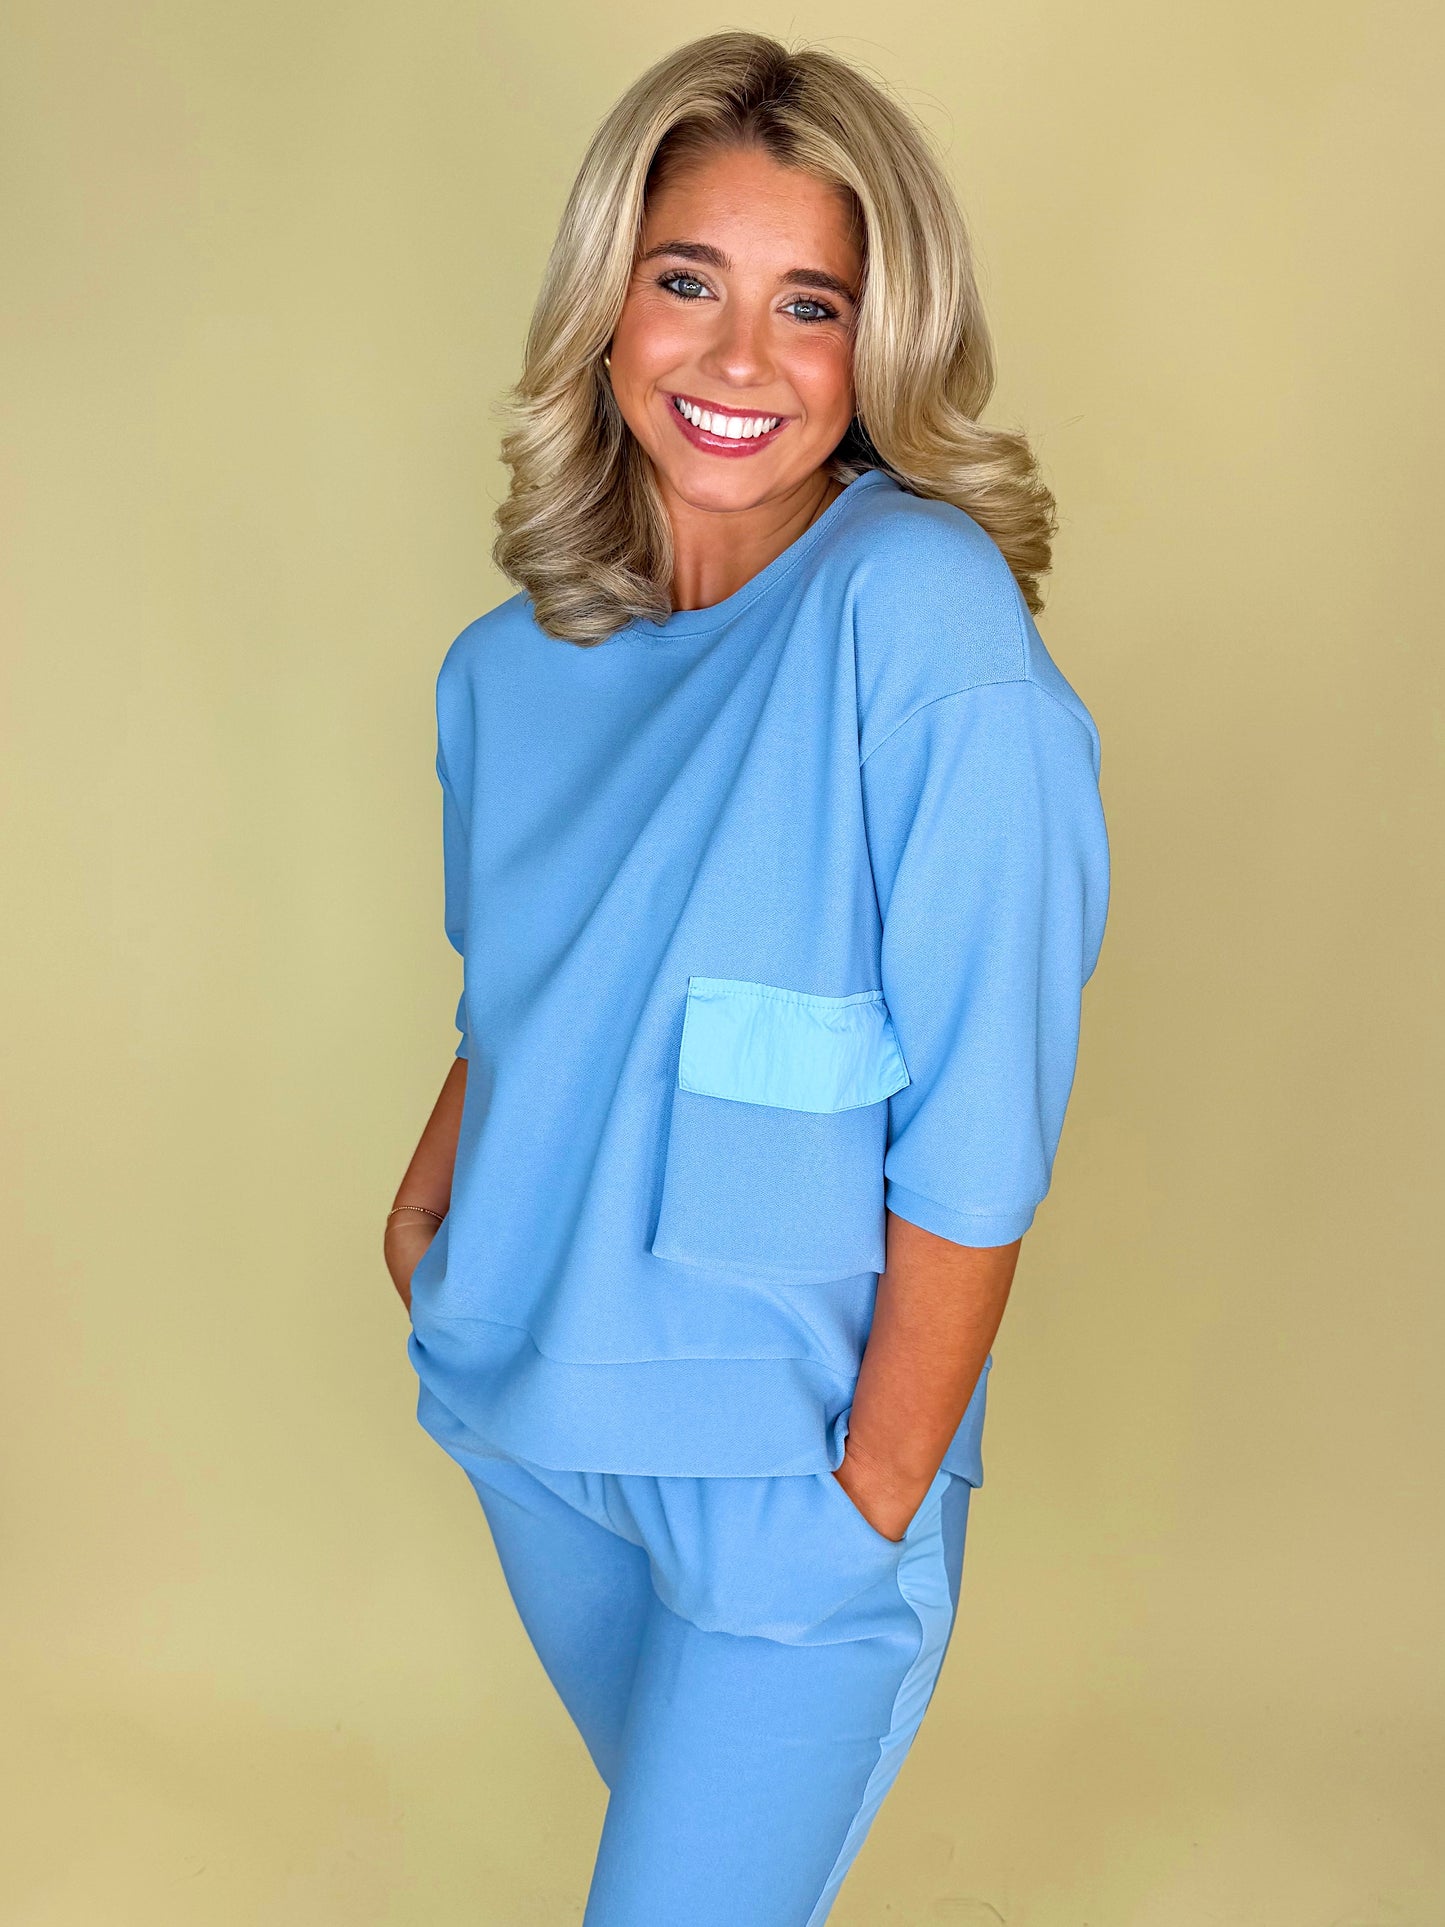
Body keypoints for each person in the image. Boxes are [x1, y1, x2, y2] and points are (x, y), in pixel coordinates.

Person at [383, 30, 1110, 1926]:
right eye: (687, 279)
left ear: (880, 345)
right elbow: (529, 984)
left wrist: (874, 1491)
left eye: (811, 305)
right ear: (607, 301)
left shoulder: (915, 611)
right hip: (533, 1421)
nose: (736, 359)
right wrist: (427, 1225)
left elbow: (979, 1110)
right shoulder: (508, 667)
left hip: (790, 1479)